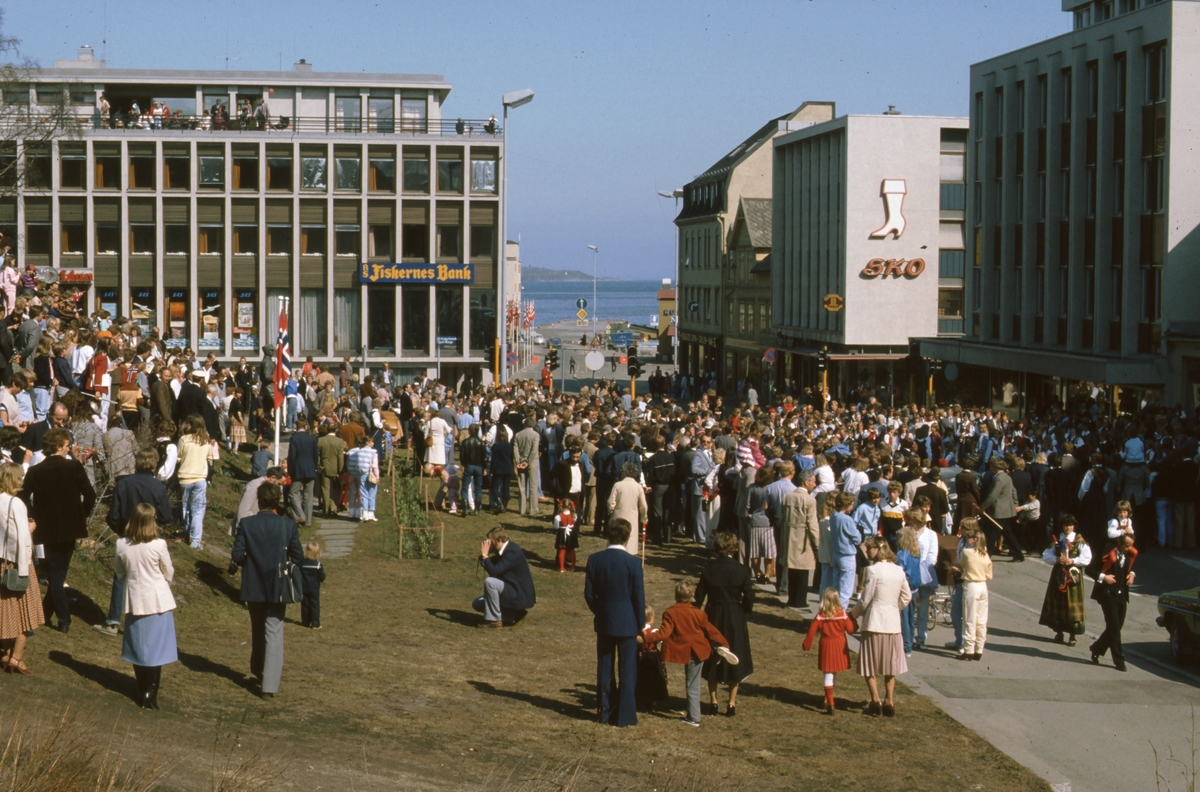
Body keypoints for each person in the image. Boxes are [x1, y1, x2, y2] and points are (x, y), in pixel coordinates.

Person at [230, 482, 304, 699]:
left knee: (257, 629)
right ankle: (269, 686)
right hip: (278, 585)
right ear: (277, 502)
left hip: (253, 583)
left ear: (258, 500)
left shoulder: (247, 524)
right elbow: (298, 556)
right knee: (274, 631)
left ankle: (258, 670)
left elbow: (237, 555)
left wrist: (250, 561)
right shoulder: (287, 525)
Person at [22, 427, 95, 633]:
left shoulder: (36, 471)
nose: (68, 448)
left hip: (47, 526)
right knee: (57, 573)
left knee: (57, 571)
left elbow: (23, 496)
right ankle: (64, 617)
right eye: (66, 445)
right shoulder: (73, 468)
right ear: (60, 446)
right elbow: (90, 496)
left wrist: (34, 515)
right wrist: (82, 515)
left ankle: (45, 612)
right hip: (71, 525)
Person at [96, 447, 173, 637]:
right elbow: (167, 516)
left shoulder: (124, 484)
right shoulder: (158, 487)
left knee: (121, 577)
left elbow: (112, 515)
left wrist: (123, 532)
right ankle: (148, 616)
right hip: (151, 538)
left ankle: (113, 620)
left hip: (127, 538)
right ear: (155, 465)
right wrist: (154, 528)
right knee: (151, 577)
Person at [114, 503, 178, 709]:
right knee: (155, 649)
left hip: (135, 600)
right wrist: (161, 582)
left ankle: (144, 689)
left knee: (138, 648)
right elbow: (168, 571)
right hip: (157, 600)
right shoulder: (158, 545)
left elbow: (120, 572)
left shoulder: (122, 544)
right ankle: (150, 691)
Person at [583, 518, 645, 727]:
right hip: (627, 623)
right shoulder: (633, 563)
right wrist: (641, 624)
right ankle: (625, 716)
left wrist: (600, 611)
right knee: (627, 670)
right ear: (627, 538)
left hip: (605, 621)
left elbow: (589, 595)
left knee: (605, 668)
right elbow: (638, 597)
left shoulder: (595, 560)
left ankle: (605, 713)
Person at [645, 579, 731, 728]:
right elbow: (711, 630)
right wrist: (724, 643)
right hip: (699, 650)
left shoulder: (670, 612)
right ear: (692, 595)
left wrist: (644, 638)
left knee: (692, 684)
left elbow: (663, 633)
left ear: (676, 595)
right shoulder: (698, 613)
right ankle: (693, 714)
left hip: (686, 651)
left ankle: (694, 717)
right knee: (693, 682)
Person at [849, 536, 911, 717]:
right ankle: (889, 700)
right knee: (890, 665)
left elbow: (865, 599)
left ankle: (875, 700)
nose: (867, 552)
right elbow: (906, 596)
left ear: (878, 549)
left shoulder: (872, 570)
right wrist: (894, 608)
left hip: (874, 622)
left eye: (869, 549)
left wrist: (852, 615)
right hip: (892, 624)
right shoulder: (899, 570)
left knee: (869, 664)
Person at [695, 531, 754, 717]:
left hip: (714, 614)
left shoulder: (709, 568)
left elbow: (698, 597)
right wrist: (743, 610)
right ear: (734, 548)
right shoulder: (741, 569)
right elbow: (750, 597)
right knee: (735, 654)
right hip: (734, 614)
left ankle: (713, 701)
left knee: (713, 655)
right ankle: (731, 703)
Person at [0, 462, 43, 674]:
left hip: (1, 562)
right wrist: (30, 528)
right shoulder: (16, 503)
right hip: (17, 563)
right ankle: (16, 656)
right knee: (26, 613)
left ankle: (7, 653)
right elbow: (22, 538)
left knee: (5, 610)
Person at [802, 587, 858, 716]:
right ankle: (829, 698)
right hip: (839, 645)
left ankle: (829, 700)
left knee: (828, 673)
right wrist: (854, 622)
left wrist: (807, 645)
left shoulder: (821, 616)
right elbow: (850, 629)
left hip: (826, 645)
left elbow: (811, 631)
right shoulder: (842, 614)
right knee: (834, 672)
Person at [1039, 513, 1091, 647]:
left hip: (1073, 575)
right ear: (1062, 526)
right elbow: (1046, 554)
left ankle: (1072, 635)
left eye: (1071, 525)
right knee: (1058, 602)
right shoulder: (1057, 540)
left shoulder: (1079, 540)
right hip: (1058, 574)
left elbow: (1087, 558)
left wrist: (1072, 560)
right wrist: (1056, 559)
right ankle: (1059, 632)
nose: (1068, 528)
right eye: (1066, 525)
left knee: (1071, 603)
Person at [1089, 532, 1137, 672]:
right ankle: (1119, 660)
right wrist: (1104, 577)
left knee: (1117, 625)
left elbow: (1131, 566)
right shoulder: (1107, 553)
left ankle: (1097, 647)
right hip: (1108, 594)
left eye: (1131, 546)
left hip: (1122, 594)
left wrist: (1132, 574)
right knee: (1114, 627)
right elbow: (1090, 569)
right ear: (1119, 543)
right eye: (1126, 546)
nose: (1129, 549)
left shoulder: (1128, 553)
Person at [473, 525, 536, 628]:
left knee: (490, 582)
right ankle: (516, 614)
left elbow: (494, 572)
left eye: (491, 540)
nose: (489, 543)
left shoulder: (512, 551)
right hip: (512, 588)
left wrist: (485, 555)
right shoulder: (506, 549)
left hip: (519, 592)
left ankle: (495, 621)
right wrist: (484, 557)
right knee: (477, 604)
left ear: (499, 540)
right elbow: (493, 564)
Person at [780, 468, 820, 608]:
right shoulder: (809, 500)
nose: (815, 485)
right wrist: (817, 541)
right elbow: (812, 522)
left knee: (792, 568)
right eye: (813, 482)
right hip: (803, 536)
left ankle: (792, 598)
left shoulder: (788, 496)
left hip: (789, 534)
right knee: (803, 568)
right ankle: (800, 600)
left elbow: (782, 516)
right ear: (806, 482)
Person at [956, 526, 993, 661]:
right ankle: (979, 648)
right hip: (983, 585)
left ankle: (968, 649)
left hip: (971, 585)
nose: (967, 540)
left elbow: (962, 565)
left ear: (975, 539)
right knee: (981, 619)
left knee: (969, 618)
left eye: (969, 538)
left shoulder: (967, 552)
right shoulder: (985, 554)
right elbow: (989, 575)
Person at [178, 415, 210, 549]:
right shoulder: (206, 440)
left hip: (185, 477)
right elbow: (209, 457)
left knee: (185, 507)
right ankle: (195, 540)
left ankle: (187, 532)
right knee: (197, 510)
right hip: (200, 478)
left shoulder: (183, 439)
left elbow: (178, 457)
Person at [607, 461, 647, 556]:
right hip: (632, 517)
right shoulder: (638, 487)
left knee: (615, 537)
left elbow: (610, 502)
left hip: (618, 515)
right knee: (630, 541)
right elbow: (643, 505)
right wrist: (644, 518)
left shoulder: (618, 485)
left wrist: (611, 509)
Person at [895, 527, 923, 656]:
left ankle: (906, 646)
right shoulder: (916, 553)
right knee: (911, 617)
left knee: (903, 618)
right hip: (915, 588)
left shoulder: (901, 554)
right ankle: (909, 643)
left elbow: (899, 572)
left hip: (905, 588)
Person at [828, 492, 860, 609]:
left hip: (836, 553)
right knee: (846, 589)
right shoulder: (847, 519)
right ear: (847, 504)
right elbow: (857, 538)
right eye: (851, 504)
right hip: (847, 554)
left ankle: (832, 610)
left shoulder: (833, 516)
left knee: (835, 586)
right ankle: (840, 615)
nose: (852, 507)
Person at [635, 605, 668, 713]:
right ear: (651, 619)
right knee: (655, 678)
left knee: (643, 678)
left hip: (641, 656)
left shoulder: (637, 632)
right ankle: (655, 700)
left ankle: (642, 700)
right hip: (653, 658)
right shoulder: (654, 632)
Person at [287, 417, 318, 525]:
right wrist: (314, 467)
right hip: (310, 469)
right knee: (308, 496)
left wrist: (290, 470)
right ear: (305, 426)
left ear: (296, 427)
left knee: (293, 493)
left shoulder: (294, 439)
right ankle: (308, 521)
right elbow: (315, 455)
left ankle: (300, 515)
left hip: (298, 470)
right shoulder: (312, 438)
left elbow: (292, 456)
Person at [346, 434, 379, 522]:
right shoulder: (373, 452)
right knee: (372, 494)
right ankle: (371, 513)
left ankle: (363, 513)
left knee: (363, 494)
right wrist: (377, 476)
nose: (373, 443)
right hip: (371, 474)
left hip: (361, 474)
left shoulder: (359, 452)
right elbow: (375, 466)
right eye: (372, 442)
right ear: (368, 442)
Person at [316, 423, 347, 518]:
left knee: (325, 489)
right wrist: (340, 470)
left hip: (324, 467)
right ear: (336, 430)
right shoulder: (340, 442)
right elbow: (340, 458)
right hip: (336, 467)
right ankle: (334, 507)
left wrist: (319, 466)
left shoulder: (320, 440)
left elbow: (318, 455)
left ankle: (326, 511)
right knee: (337, 488)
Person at [514, 418, 541, 516]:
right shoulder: (535, 435)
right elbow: (534, 450)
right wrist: (528, 461)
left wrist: (518, 461)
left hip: (521, 461)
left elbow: (515, 449)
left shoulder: (518, 434)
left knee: (522, 486)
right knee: (533, 485)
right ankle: (533, 509)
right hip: (532, 462)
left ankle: (522, 509)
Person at [299, 541, 326, 629]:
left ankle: (305, 622)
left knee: (305, 605)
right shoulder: (318, 565)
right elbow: (321, 577)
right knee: (314, 605)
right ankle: (315, 623)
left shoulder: (302, 563)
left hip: (304, 587)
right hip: (314, 588)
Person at [488, 424, 514, 513]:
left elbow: (494, 460)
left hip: (498, 469)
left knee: (495, 488)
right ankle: (504, 503)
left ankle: (499, 503)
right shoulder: (509, 446)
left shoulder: (496, 446)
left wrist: (491, 470)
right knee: (506, 488)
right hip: (508, 468)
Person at [553, 499, 578, 573]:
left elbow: (556, 526)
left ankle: (561, 567)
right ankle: (573, 566)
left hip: (562, 533)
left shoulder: (558, 516)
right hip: (571, 532)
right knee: (571, 550)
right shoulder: (574, 515)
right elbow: (574, 522)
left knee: (562, 550)